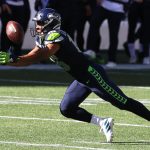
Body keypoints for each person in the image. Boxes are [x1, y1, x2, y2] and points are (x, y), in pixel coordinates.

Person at [0, 8, 149, 143]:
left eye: (40, 22)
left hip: (92, 75)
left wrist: (17, 58)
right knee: (67, 108)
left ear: (50, 23)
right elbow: (30, 58)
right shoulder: (42, 38)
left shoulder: (56, 35)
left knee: (123, 103)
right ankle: (103, 122)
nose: (37, 26)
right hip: (81, 79)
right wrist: (8, 60)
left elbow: (42, 54)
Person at [86, 0, 129, 67]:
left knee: (113, 34)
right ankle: (90, 50)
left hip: (118, 9)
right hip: (104, 6)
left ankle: (112, 60)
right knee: (93, 24)